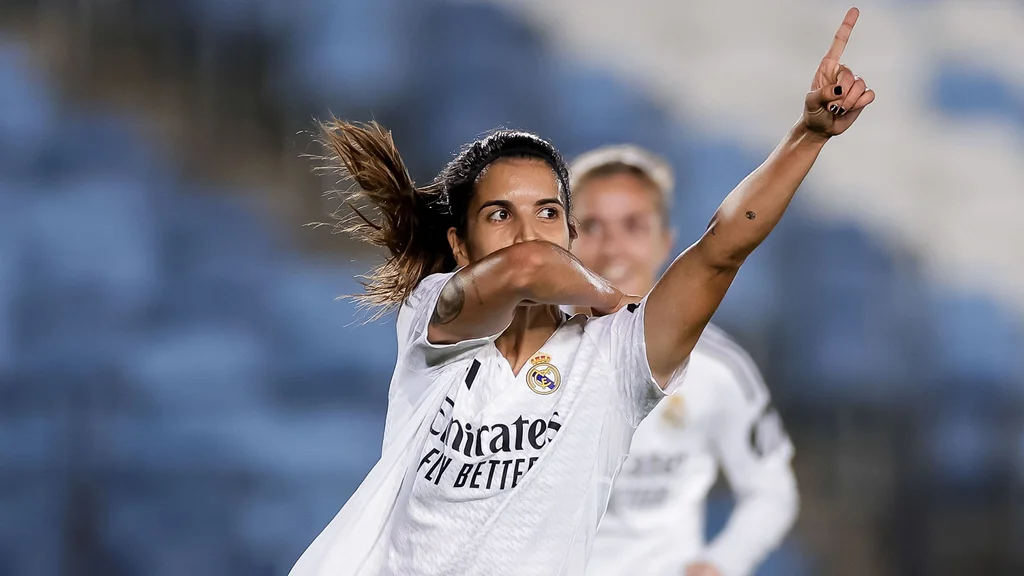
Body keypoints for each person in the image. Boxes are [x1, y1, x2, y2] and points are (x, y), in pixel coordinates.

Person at [289, 7, 872, 576]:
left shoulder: (617, 358)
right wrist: (611, 293)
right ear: (459, 246)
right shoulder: (431, 323)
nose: (526, 232)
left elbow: (723, 248)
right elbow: (525, 269)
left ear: (572, 231)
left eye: (548, 212)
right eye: (498, 214)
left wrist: (807, 136)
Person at [569, 145, 798, 576]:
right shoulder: (523, 355)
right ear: (565, 239)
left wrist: (721, 563)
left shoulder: (718, 367)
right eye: (592, 226)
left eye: (633, 225)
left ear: (667, 243)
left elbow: (771, 488)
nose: (613, 246)